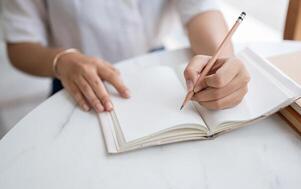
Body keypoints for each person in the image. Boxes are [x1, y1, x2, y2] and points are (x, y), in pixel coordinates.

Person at [1, 0, 250, 113]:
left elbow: (200, 9)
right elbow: (20, 45)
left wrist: (221, 63)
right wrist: (62, 60)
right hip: (71, 73)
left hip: (152, 63)